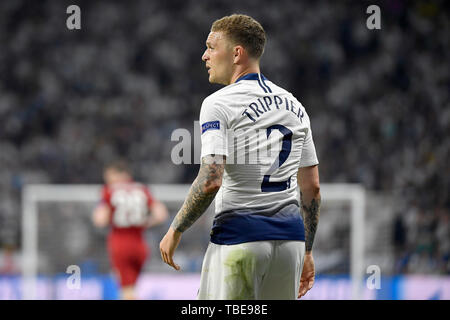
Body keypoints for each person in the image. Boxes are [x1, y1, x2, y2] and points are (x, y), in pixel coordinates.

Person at [160, 14, 320, 300]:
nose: (204, 55)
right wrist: (307, 250)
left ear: (236, 53)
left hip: (241, 239)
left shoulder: (218, 103)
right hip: (290, 244)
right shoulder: (296, 106)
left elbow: (211, 179)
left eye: (211, 47)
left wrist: (176, 228)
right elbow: (312, 187)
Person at [93, 160, 168, 300]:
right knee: (130, 288)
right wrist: (145, 223)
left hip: (120, 243)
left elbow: (100, 220)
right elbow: (161, 214)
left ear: (119, 174)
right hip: (140, 243)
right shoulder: (142, 189)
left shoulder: (109, 191)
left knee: (126, 291)